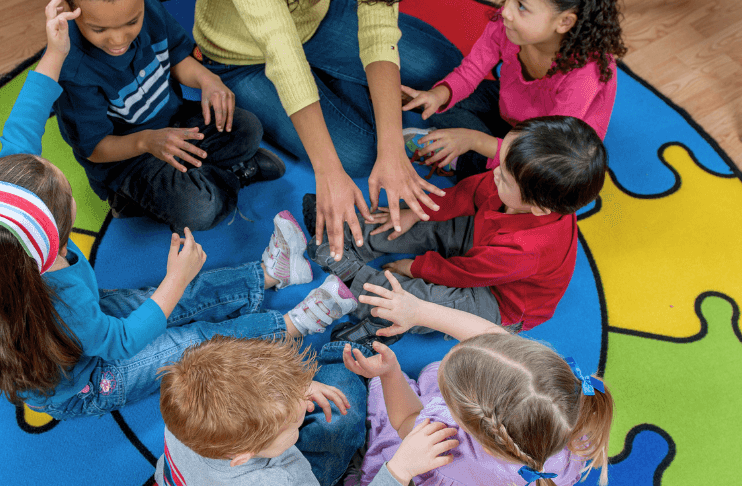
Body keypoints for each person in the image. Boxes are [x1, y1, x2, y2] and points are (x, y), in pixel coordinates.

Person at [0, 0, 359, 421]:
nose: (56, 170)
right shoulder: (61, 298)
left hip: (80, 327)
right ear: (56, 238)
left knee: (175, 298)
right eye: (65, 191)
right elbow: (117, 343)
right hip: (93, 380)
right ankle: (291, 327)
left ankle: (272, 274)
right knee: (196, 341)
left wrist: (56, 51)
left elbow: (24, 116)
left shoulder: (1, 221)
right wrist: (173, 280)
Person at [195, 0, 465, 258]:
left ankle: (334, 85)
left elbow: (378, 23)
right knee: (356, 156)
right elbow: (279, 45)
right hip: (242, 55)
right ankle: (333, 89)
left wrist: (394, 147)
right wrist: (328, 172)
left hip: (318, 20)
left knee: (439, 66)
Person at [51, 0, 284, 232]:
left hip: (174, 122)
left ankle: (194, 180)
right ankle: (139, 198)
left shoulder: (149, 8)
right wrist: (148, 141)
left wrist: (206, 81)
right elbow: (95, 148)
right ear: (67, 8)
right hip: (129, 158)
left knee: (247, 128)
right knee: (202, 209)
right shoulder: (72, 67)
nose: (118, 39)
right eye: (99, 29)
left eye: (131, 22)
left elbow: (176, 56)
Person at [307, 116, 606, 341]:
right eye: (500, 163)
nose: (494, 173)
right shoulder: (514, 186)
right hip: (485, 244)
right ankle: (346, 236)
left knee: (431, 301)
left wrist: (415, 267)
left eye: (504, 176)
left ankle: (359, 289)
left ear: (539, 207)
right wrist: (417, 212)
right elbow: (467, 194)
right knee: (429, 224)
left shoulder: (528, 250)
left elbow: (466, 273)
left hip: (498, 303)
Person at [340, 271, 614, 486]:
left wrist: (389, 374)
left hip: (435, 462)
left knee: (387, 418)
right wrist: (420, 311)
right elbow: (491, 338)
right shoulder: (563, 420)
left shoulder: (447, 437)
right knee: (444, 372)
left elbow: (404, 420)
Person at [402, 0, 624, 180]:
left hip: (552, 148)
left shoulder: (583, 75)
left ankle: (471, 163)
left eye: (521, 5)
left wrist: (475, 140)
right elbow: (471, 70)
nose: (505, 10)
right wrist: (438, 95)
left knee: (525, 181)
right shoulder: (508, 25)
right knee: (447, 103)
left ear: (564, 22)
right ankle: (475, 154)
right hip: (513, 117)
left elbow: (544, 151)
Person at [156, 336, 460, 486]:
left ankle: (340, 358)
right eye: (293, 422)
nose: (304, 405)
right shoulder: (280, 481)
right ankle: (346, 349)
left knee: (337, 395)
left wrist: (297, 387)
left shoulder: (187, 412)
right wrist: (399, 470)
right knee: (344, 413)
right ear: (244, 455)